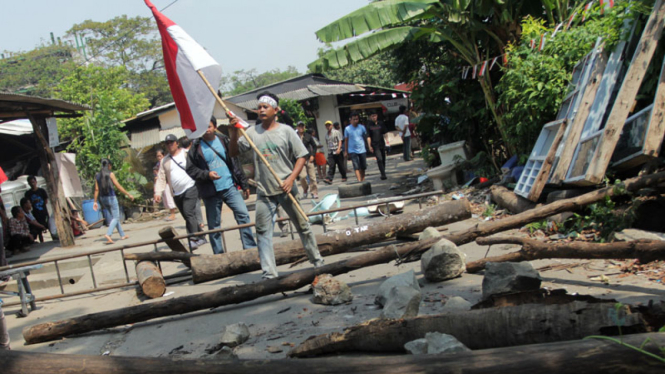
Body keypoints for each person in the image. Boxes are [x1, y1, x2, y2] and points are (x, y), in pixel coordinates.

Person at [228, 91, 324, 279]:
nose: (261, 110)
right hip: (264, 191)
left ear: (276, 110)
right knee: (263, 232)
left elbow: (302, 156)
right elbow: (233, 153)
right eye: (259, 107)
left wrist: (291, 179)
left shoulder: (286, 131)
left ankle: (318, 262)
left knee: (303, 226)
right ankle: (270, 274)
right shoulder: (252, 133)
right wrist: (233, 132)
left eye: (266, 107)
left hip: (286, 188)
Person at [186, 117, 257, 255]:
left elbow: (235, 162)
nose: (207, 129)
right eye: (204, 127)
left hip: (230, 186)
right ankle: (219, 255)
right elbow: (190, 169)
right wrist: (207, 174)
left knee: (243, 215)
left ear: (215, 127)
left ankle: (250, 248)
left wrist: (243, 183)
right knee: (214, 226)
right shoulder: (195, 147)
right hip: (211, 191)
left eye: (209, 126)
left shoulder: (224, 140)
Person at [155, 134, 207, 250]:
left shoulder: (186, 153)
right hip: (177, 193)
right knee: (188, 216)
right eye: (167, 143)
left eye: (171, 142)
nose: (169, 145)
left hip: (190, 187)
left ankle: (193, 239)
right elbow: (161, 177)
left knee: (189, 213)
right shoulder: (165, 161)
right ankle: (201, 236)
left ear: (176, 143)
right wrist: (158, 192)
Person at [94, 158, 134, 244]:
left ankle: (122, 235)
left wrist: (95, 202)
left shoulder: (97, 175)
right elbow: (118, 186)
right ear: (109, 165)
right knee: (116, 217)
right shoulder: (110, 174)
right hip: (111, 197)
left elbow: (96, 189)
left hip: (103, 199)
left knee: (114, 218)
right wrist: (128, 194)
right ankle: (108, 234)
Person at [180, 136, 205, 230]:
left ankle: (198, 222)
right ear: (190, 144)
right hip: (194, 180)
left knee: (194, 204)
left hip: (190, 181)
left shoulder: (182, 153)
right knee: (197, 203)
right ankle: (199, 222)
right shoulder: (192, 153)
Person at [296, 121, 319, 199]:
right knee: (302, 176)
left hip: (309, 158)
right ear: (297, 128)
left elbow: (314, 146)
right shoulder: (295, 137)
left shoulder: (308, 136)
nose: (301, 128)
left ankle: (314, 192)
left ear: (304, 127)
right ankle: (305, 189)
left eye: (302, 126)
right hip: (299, 159)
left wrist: (313, 155)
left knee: (312, 176)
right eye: (299, 126)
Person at [344, 111, 368, 182]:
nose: (355, 121)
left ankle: (362, 179)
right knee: (356, 166)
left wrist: (368, 146)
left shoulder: (362, 127)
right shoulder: (347, 129)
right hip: (352, 150)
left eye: (357, 119)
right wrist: (346, 151)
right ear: (350, 120)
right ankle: (359, 180)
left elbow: (366, 137)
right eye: (354, 119)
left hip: (362, 149)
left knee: (363, 166)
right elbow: (346, 140)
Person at [154, 149, 177, 222]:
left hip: (167, 183)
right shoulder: (158, 164)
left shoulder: (166, 162)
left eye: (160, 156)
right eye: (157, 156)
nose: (159, 157)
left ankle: (173, 214)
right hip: (161, 183)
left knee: (169, 197)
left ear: (163, 155)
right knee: (165, 199)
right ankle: (171, 213)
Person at [24, 175, 48, 242]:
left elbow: (46, 200)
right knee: (39, 229)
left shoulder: (41, 191)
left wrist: (42, 205)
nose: (32, 184)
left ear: (36, 182)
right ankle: (42, 241)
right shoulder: (28, 193)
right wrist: (33, 202)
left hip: (43, 211)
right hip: (35, 213)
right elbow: (27, 204)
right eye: (30, 182)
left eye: (33, 182)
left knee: (48, 225)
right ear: (28, 183)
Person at [366, 111, 389, 180]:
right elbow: (368, 136)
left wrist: (387, 142)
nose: (374, 117)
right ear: (370, 117)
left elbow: (385, 133)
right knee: (379, 159)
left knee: (383, 159)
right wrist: (369, 146)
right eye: (372, 116)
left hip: (382, 143)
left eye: (375, 115)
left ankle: (383, 171)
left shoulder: (381, 123)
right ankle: (383, 174)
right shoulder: (369, 125)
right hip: (375, 145)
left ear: (377, 116)